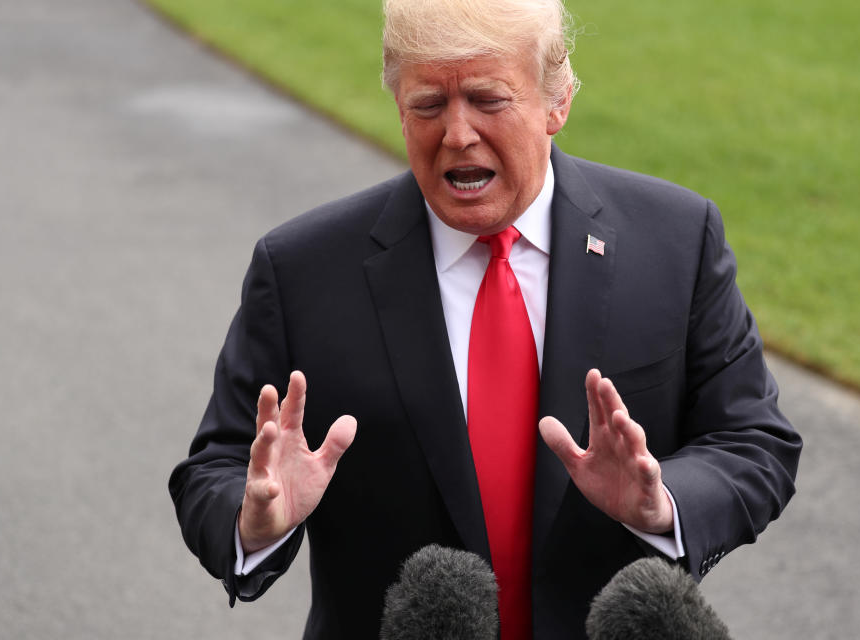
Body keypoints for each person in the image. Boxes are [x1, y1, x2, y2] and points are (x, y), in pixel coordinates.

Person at [169, 0, 802, 638]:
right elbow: (215, 471)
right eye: (428, 105)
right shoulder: (303, 269)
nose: (458, 134)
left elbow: (754, 442)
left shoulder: (675, 240)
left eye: (487, 99)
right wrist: (253, 521)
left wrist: (662, 502)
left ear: (557, 100)